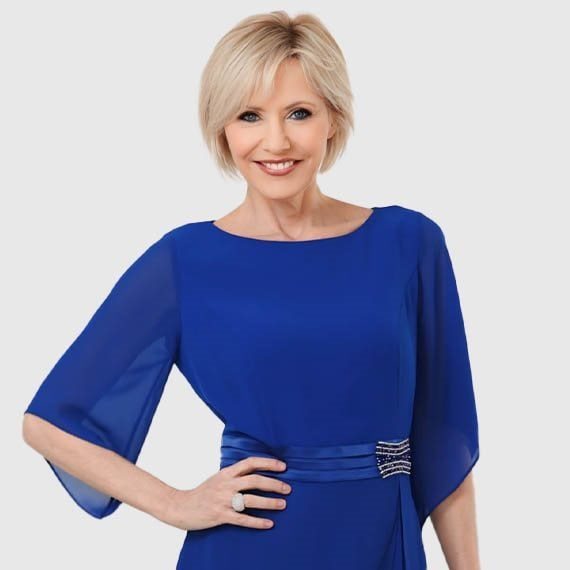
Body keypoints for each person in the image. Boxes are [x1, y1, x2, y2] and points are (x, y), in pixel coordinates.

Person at [22, 10, 481, 569]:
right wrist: (175, 504)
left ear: (333, 118)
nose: (276, 141)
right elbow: (47, 423)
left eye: (299, 113)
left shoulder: (409, 243)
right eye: (249, 116)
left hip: (380, 541)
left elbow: (444, 438)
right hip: (247, 544)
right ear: (223, 129)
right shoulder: (185, 260)